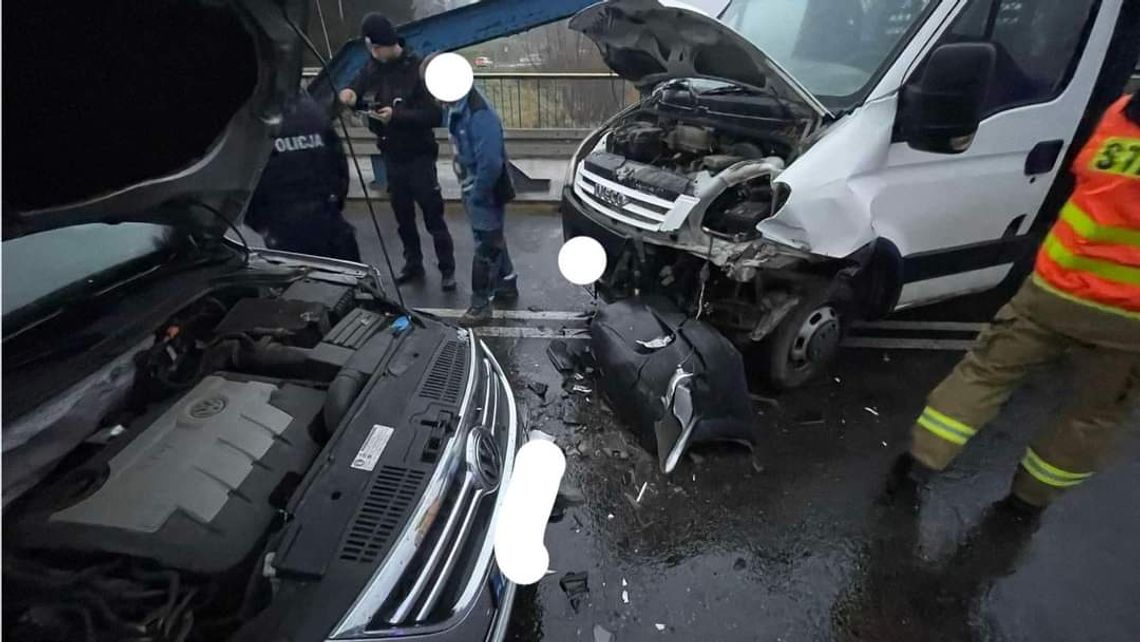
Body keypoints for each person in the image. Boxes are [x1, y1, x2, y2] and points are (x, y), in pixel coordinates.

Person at [896, 91, 1140, 510]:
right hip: (1128, 319)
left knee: (984, 374)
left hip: (1054, 289)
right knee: (1092, 414)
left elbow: (1081, 175)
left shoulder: (1123, 111)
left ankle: (916, 467)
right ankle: (1028, 500)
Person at [337, 13, 456, 290]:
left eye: (378, 48)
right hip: (392, 155)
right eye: (371, 50)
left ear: (389, 43)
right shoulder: (372, 68)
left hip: (419, 156)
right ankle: (412, 263)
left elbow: (433, 115)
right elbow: (356, 86)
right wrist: (350, 95)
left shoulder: (417, 69)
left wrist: (397, 116)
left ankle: (447, 269)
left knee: (433, 217)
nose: (375, 54)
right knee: (403, 218)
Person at [434, 58, 518, 326]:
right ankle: (506, 281)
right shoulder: (459, 105)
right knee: (492, 238)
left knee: (485, 246)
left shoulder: (479, 114)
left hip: (484, 189)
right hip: (474, 185)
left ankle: (480, 306)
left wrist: (478, 194)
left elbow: (491, 162)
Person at [246, 91, 360, 261]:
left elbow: (242, 180)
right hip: (327, 219)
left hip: (282, 228)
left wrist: (260, 224)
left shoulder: (252, 118)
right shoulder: (312, 109)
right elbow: (338, 162)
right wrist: (335, 202)